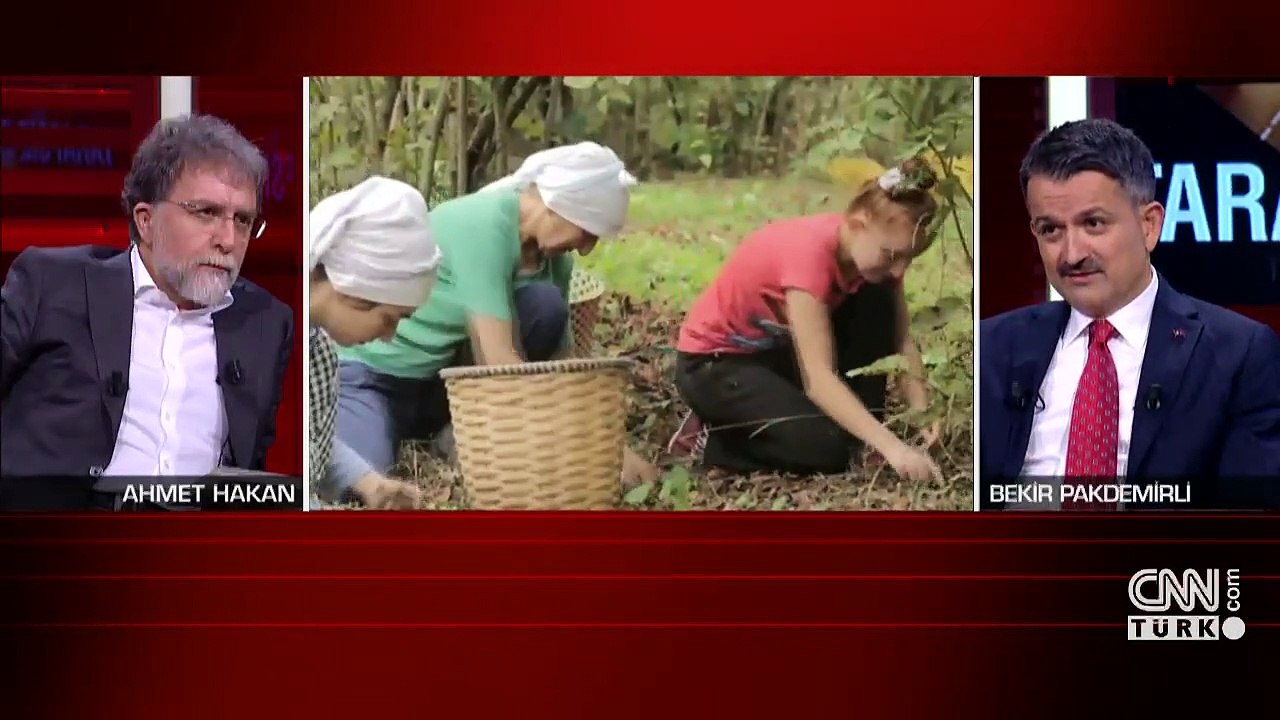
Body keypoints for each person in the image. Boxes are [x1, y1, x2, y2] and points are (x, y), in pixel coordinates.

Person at [332, 142, 660, 504]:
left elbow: (563, 365)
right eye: (587, 234)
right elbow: (501, 364)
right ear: (559, 208)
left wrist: (607, 443)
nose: (585, 250)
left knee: (545, 305)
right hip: (373, 377)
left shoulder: (554, 259)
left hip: (443, 383)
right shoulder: (483, 224)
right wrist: (592, 446)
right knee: (360, 477)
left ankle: (465, 430)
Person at [979, 118, 1280, 511]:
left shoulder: (1238, 355)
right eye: (1050, 230)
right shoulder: (991, 347)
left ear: (1149, 225)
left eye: (1093, 223)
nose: (1071, 254)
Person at [0, 114, 295, 510]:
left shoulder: (266, 322)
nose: (228, 240)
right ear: (146, 220)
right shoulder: (52, 285)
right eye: (206, 212)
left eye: (242, 220)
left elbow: (249, 473)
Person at [668, 158, 944, 482]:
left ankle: (860, 436)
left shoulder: (875, 263)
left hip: (776, 351)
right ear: (858, 224)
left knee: (878, 298)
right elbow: (819, 378)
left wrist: (923, 412)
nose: (900, 270)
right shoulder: (808, 257)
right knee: (826, 450)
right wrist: (894, 449)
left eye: (909, 258)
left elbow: (899, 341)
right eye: (892, 255)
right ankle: (711, 439)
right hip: (716, 365)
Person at [308, 176, 443, 509]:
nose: (389, 335)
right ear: (354, 291)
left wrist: (368, 483)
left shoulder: (319, 353)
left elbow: (311, 447)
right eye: (388, 318)